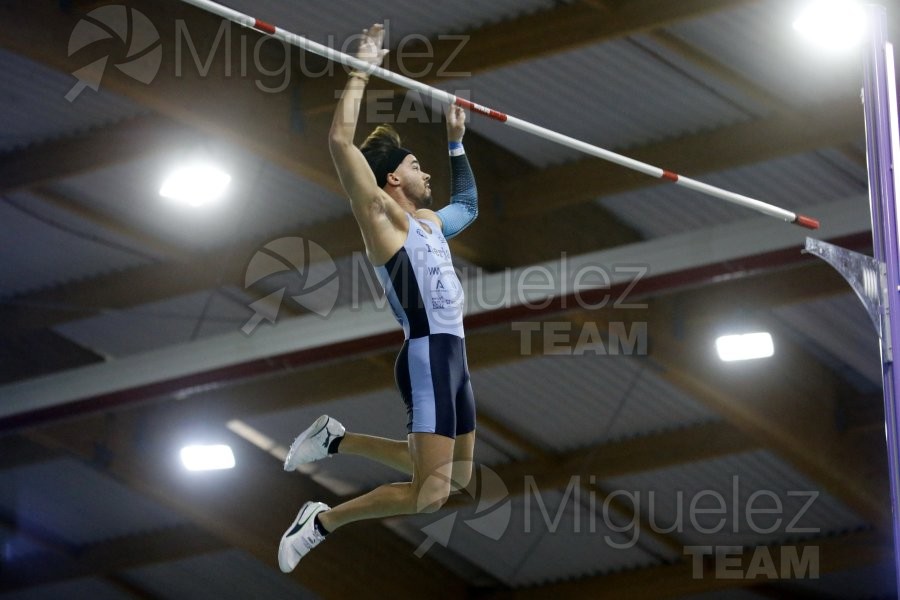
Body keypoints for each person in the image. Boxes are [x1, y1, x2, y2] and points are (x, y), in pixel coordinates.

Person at [277, 23, 479, 573]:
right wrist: (362, 65)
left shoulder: (433, 223)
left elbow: (471, 202)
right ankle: (320, 522)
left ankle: (335, 440)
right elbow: (340, 143)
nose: (427, 170)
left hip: (455, 358)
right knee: (428, 494)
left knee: (456, 478)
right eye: (417, 165)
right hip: (429, 355)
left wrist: (457, 141)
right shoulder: (384, 222)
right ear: (391, 179)